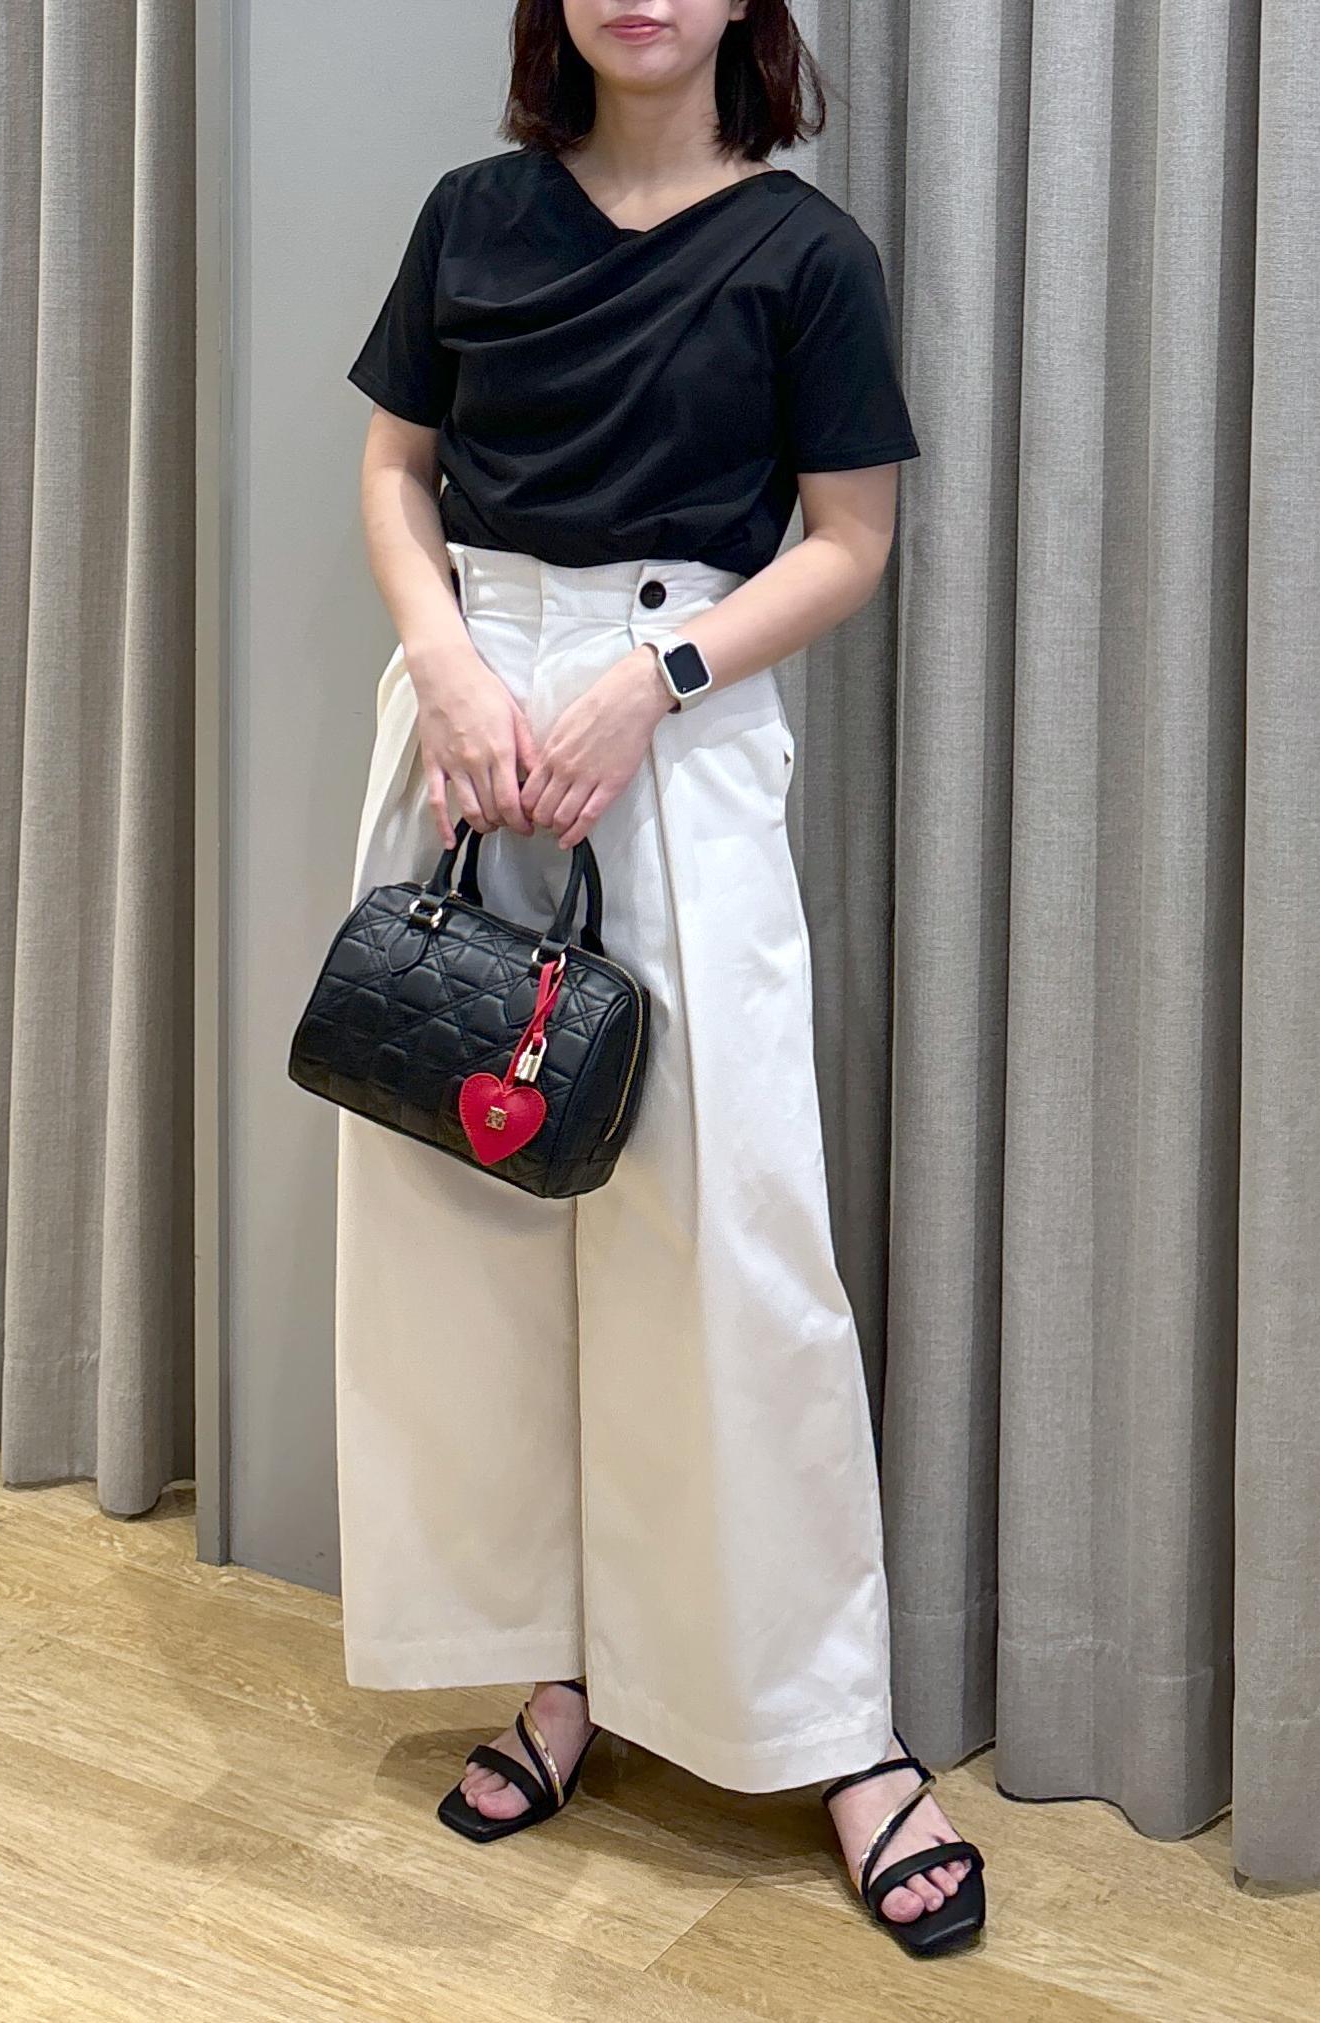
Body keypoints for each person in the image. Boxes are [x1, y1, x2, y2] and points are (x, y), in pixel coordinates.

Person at [335, 0, 985, 1957]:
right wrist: (450, 666)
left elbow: (851, 539)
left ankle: (833, 1729)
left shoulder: (806, 252)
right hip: (463, 739)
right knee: (467, 1234)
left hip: (674, 741)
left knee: (732, 1238)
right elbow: (395, 470)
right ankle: (551, 1666)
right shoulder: (471, 217)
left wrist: (658, 678)